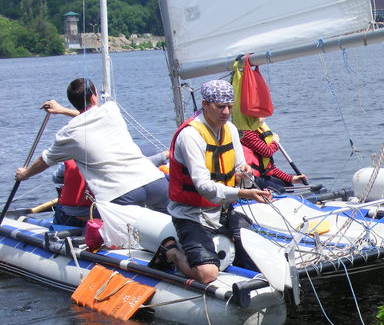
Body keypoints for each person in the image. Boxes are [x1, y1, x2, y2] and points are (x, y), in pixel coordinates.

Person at [153, 79, 272, 284]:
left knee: (260, 254)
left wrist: (245, 174)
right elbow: (204, 187)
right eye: (219, 106)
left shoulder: (231, 129)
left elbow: (239, 169)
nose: (225, 112)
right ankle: (172, 253)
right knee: (207, 274)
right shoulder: (190, 136)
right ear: (205, 104)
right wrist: (244, 193)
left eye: (229, 106)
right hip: (191, 214)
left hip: (222, 211)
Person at [14, 78, 169, 214]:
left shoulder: (67, 134)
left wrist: (25, 174)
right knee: (174, 226)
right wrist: (62, 110)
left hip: (120, 192)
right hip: (154, 181)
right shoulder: (111, 110)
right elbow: (90, 115)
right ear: (94, 96)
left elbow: (44, 161)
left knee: (127, 240)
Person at [238, 120, 306, 192]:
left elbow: (268, 168)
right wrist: (275, 143)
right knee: (281, 190)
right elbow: (267, 152)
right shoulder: (246, 133)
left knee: (288, 186)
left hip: (260, 176)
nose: (261, 118)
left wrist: (291, 179)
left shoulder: (258, 133)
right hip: (249, 180)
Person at [51, 160, 93, 228]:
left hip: (69, 213)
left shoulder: (70, 157)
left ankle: (57, 230)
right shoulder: (109, 159)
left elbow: (56, 178)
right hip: (97, 214)